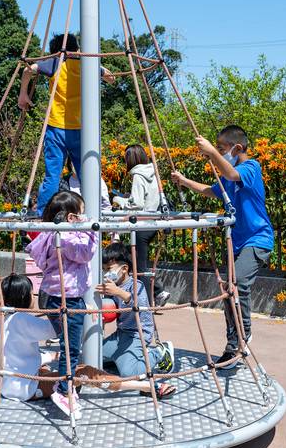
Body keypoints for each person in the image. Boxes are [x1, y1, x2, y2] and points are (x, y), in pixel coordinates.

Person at [171, 125, 274, 364]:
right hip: (238, 243)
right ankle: (233, 343)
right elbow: (211, 190)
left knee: (236, 284)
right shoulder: (228, 175)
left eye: (222, 148)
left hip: (257, 239)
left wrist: (211, 153)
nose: (218, 152)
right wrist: (185, 181)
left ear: (237, 148)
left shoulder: (250, 168)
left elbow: (231, 175)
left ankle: (244, 332)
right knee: (228, 290)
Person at [0, 273, 168, 403]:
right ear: (26, 297)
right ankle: (146, 386)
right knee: (83, 372)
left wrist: (52, 356)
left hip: (8, 384)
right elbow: (58, 329)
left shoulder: (7, 318)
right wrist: (81, 308)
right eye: (33, 294)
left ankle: (138, 381)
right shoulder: (22, 319)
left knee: (55, 363)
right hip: (24, 389)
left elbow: (16, 354)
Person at [18, 33, 114, 216]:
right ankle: (94, 212)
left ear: (57, 52)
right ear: (77, 50)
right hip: (80, 130)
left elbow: (28, 70)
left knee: (52, 177)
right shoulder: (88, 65)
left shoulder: (55, 63)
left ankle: (43, 216)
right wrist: (105, 75)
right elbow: (108, 75)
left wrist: (23, 93)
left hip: (56, 128)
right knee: (86, 176)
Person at [24, 190, 96, 416]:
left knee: (67, 344)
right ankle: (64, 390)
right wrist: (92, 231)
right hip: (67, 298)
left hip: (51, 293)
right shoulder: (65, 237)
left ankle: (66, 383)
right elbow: (86, 254)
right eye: (81, 214)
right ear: (70, 218)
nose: (85, 217)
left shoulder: (49, 233)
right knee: (71, 348)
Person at [94, 242, 175, 394]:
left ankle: (159, 352)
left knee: (128, 374)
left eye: (109, 269)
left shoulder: (136, 285)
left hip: (138, 334)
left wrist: (117, 292)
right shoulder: (111, 285)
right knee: (92, 357)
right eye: (103, 269)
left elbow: (136, 303)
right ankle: (120, 358)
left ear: (124, 269)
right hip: (121, 333)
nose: (105, 273)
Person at [111, 144, 170, 307]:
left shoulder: (137, 175)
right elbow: (148, 198)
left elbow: (136, 204)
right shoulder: (152, 173)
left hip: (141, 225)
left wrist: (119, 200)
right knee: (133, 261)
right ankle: (156, 294)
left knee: (139, 268)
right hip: (151, 224)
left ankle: (147, 303)